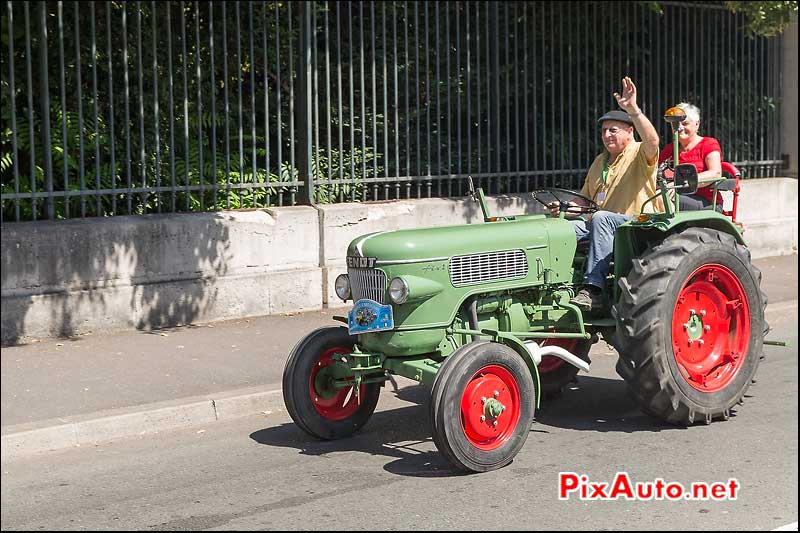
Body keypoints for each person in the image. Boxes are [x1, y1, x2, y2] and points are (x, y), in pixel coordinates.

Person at [549, 77, 661, 311]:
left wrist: (633, 110)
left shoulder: (640, 152)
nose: (607, 135)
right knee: (560, 230)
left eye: (613, 130)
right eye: (603, 131)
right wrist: (564, 208)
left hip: (637, 225)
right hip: (604, 225)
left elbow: (652, 140)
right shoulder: (600, 161)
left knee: (601, 218)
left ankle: (593, 290)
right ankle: (554, 288)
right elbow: (586, 200)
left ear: (630, 132)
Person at [657, 102, 723, 211]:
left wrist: (678, 184)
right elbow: (657, 172)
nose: (680, 128)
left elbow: (715, 173)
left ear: (697, 123)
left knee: (661, 197)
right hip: (673, 196)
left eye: (685, 123)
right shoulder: (670, 149)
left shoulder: (708, 144)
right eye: (676, 124)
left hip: (706, 201)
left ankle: (671, 228)